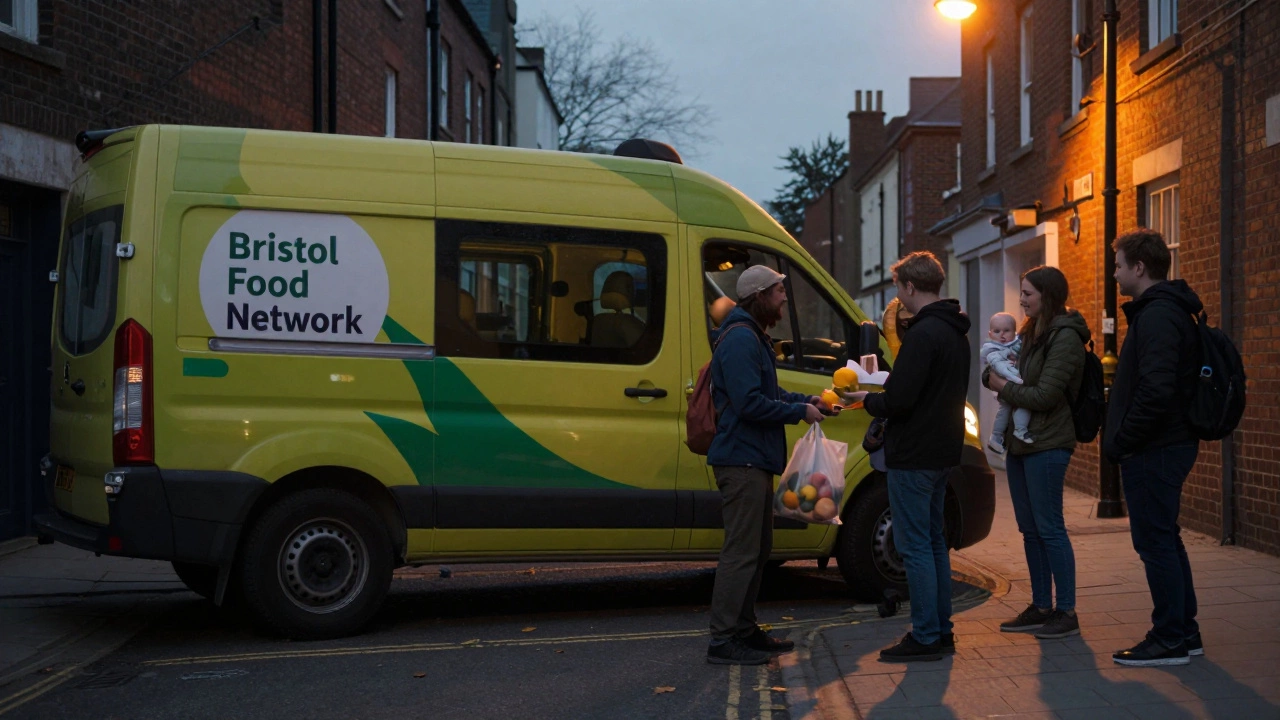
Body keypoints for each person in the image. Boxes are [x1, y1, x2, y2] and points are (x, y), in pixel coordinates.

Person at [842, 251, 970, 662]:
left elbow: (900, 398)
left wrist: (867, 398)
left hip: (913, 455)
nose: (898, 295)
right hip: (941, 453)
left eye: (898, 287)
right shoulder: (955, 332)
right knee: (933, 544)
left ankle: (927, 636)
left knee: (915, 547)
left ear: (911, 287)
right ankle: (941, 630)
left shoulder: (923, 334)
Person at [705, 264, 829, 665]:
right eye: (777, 292)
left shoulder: (753, 336)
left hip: (753, 459)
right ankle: (723, 640)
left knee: (758, 551)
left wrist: (809, 401)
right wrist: (798, 414)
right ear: (758, 296)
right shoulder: (741, 339)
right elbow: (748, 403)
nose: (783, 299)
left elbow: (770, 392)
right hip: (740, 460)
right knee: (741, 553)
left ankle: (744, 629)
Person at [1104, 229, 1204, 667]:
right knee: (1166, 538)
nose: (1114, 272)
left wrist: (1124, 440)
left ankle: (1169, 639)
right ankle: (1185, 632)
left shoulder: (1159, 314)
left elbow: (1157, 390)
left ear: (1139, 268)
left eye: (1118, 264)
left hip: (1156, 448)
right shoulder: (1161, 311)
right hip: (1161, 445)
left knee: (1156, 542)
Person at [985, 266, 1088, 640]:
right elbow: (999, 369)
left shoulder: (1064, 338)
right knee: (1030, 530)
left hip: (1048, 444)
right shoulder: (1029, 332)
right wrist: (991, 377)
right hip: (1020, 444)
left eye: (1027, 293)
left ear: (1047, 295)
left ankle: (1066, 611)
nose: (1022, 299)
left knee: (1050, 529)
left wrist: (1001, 386)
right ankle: (1041, 605)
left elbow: (1045, 395)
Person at [983, 312, 1033, 453]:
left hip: (1013, 385)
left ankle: (1016, 431)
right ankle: (999, 435)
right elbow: (997, 366)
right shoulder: (992, 349)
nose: (1002, 335)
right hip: (1009, 383)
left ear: (1014, 332)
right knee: (1008, 409)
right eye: (997, 331)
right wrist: (1016, 378)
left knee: (1012, 408)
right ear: (990, 333)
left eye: (1007, 331)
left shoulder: (1017, 344)